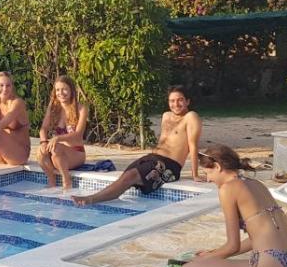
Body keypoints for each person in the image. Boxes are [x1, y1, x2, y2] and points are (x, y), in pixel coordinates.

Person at [180, 144, 287, 267]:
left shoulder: (228, 188)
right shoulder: (257, 184)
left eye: (207, 173)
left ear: (217, 167)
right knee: (210, 262)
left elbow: (232, 246)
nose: (208, 179)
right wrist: (214, 253)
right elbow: (260, 236)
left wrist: (205, 259)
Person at [73, 85, 201, 206]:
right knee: (126, 175)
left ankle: (91, 199)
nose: (176, 104)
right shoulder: (166, 116)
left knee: (131, 176)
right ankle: (103, 196)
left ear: (187, 101)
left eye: (180, 100)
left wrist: (195, 174)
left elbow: (193, 146)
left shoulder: (191, 117)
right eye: (172, 101)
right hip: (153, 158)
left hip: (170, 166)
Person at [37, 75, 88, 190]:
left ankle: (67, 181)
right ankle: (52, 181)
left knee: (56, 148)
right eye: (58, 90)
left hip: (76, 153)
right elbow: (43, 128)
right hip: (57, 153)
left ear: (71, 90)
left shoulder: (81, 109)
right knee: (40, 151)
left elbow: (78, 135)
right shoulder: (53, 108)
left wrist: (58, 138)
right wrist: (43, 142)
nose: (61, 93)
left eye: (64, 89)